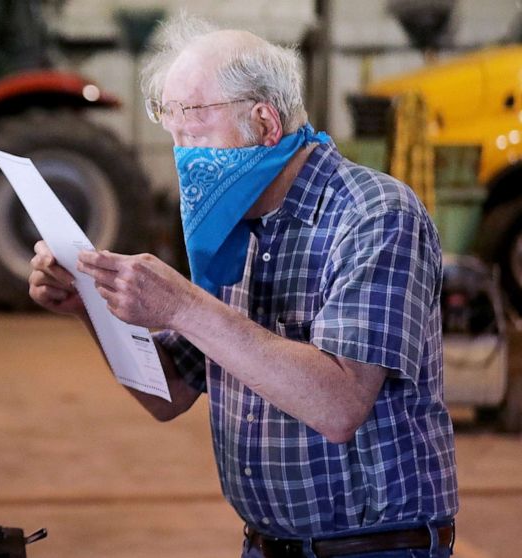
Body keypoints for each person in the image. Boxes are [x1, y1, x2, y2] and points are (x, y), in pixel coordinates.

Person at [27, 15, 458, 558]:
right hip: (267, 544)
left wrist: (182, 305)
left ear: (264, 122)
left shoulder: (374, 215)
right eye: (174, 132)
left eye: (195, 129)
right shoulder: (233, 229)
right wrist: (88, 303)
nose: (184, 157)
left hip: (374, 547)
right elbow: (169, 393)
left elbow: (340, 405)